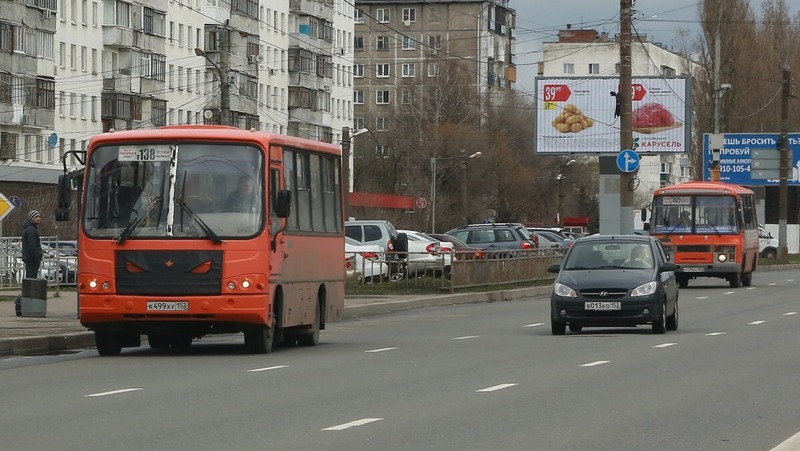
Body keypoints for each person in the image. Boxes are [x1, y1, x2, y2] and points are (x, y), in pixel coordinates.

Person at [21, 210, 43, 279]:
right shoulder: (31, 230)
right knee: (31, 280)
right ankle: (30, 290)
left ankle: (29, 289)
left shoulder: (30, 229)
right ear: (31, 218)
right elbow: (32, 246)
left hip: (30, 259)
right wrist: (36, 258)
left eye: (39, 216)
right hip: (32, 259)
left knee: (30, 279)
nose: (39, 218)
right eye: (36, 217)